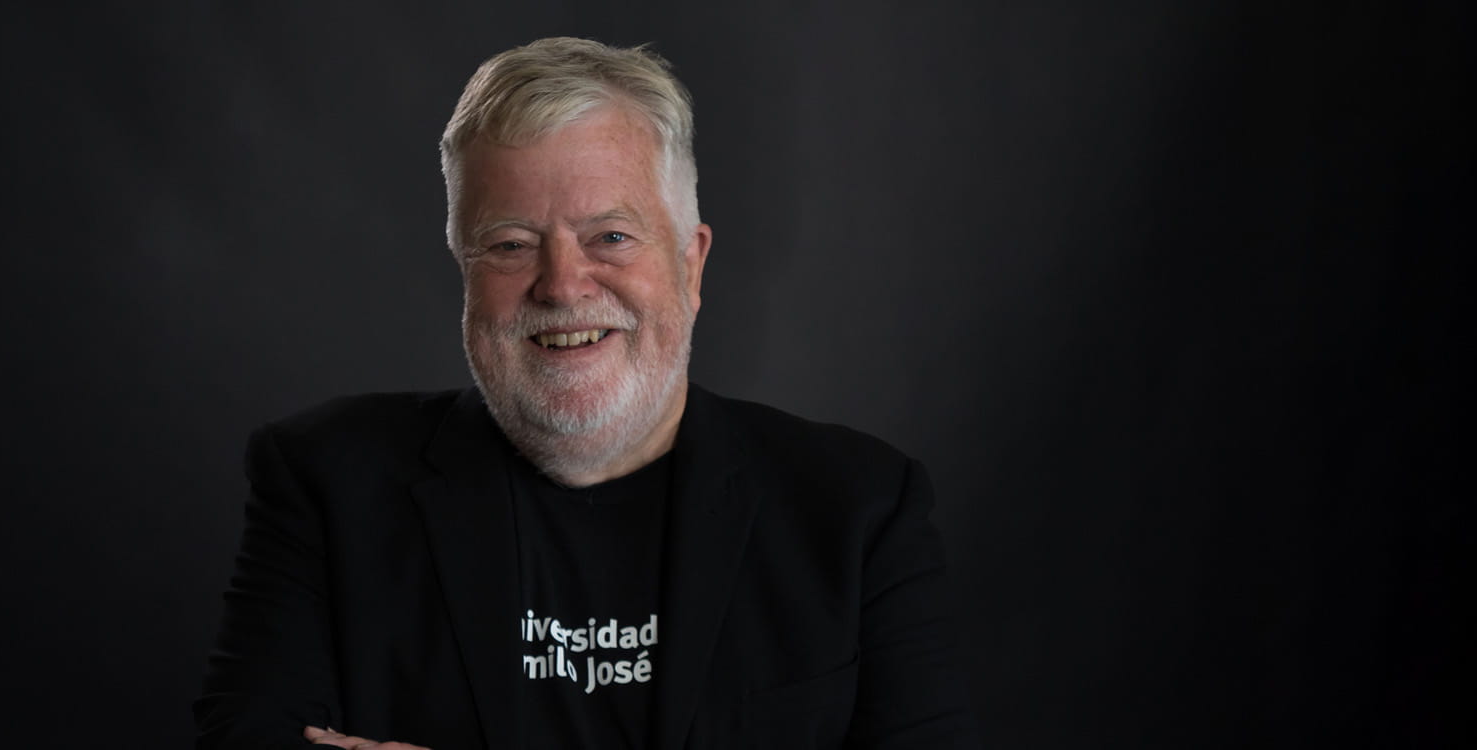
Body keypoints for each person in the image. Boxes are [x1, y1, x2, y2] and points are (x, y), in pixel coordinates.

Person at [196, 37, 979, 749]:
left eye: (611, 236)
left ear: (690, 265)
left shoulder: (857, 509)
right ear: (465, 271)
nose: (563, 286)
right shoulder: (325, 483)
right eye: (510, 244)